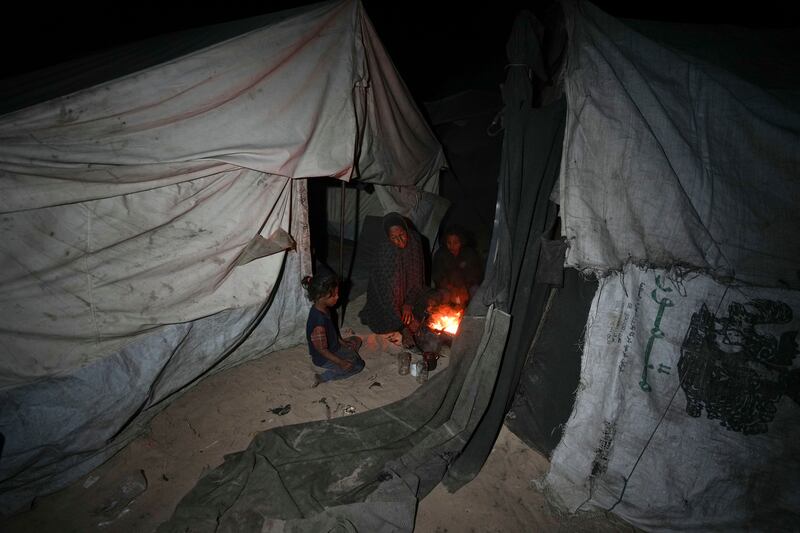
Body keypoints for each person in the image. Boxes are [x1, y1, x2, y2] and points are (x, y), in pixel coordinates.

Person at [359, 212, 427, 348]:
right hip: (386, 295)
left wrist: (408, 303)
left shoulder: (414, 240)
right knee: (386, 322)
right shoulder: (384, 251)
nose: (400, 241)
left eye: (402, 235)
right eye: (394, 238)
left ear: (406, 230)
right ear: (388, 238)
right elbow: (386, 292)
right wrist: (402, 325)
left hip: (408, 287)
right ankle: (401, 326)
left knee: (428, 302)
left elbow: (417, 275)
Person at [302, 273, 364, 386]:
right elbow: (322, 350)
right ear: (321, 297)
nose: (337, 297)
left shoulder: (325, 309)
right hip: (323, 357)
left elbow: (332, 329)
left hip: (334, 346)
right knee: (358, 365)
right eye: (334, 295)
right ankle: (325, 376)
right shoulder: (318, 323)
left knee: (356, 340)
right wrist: (341, 362)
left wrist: (342, 341)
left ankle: (348, 355)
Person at [432, 226, 483, 307]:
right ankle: (443, 313)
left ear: (461, 242)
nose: (452, 246)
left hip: (466, 288)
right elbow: (438, 276)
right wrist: (450, 288)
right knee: (442, 296)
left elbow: (475, 275)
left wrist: (465, 288)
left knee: (476, 291)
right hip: (448, 289)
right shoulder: (440, 254)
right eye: (449, 243)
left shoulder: (469, 254)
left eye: (455, 243)